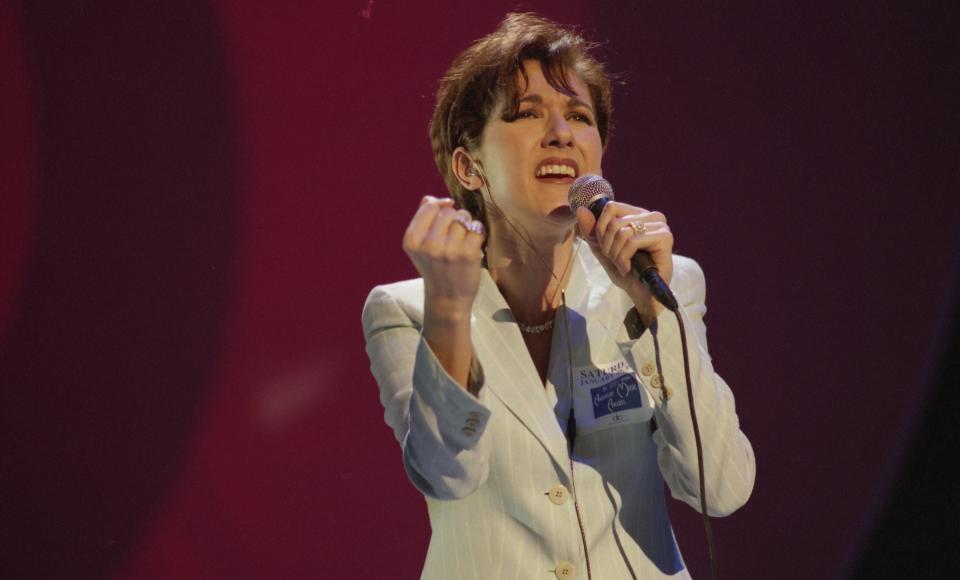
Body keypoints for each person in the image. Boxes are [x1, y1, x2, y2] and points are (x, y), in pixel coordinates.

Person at [362, 12, 755, 579]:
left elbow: (721, 488)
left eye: (579, 116)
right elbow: (447, 474)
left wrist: (653, 318)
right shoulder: (409, 310)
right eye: (526, 114)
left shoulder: (662, 282)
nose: (562, 133)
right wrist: (449, 309)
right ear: (468, 167)